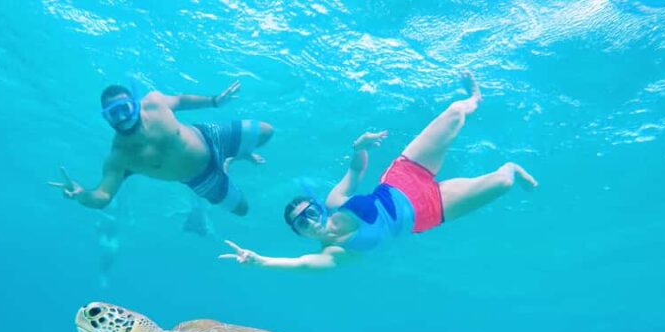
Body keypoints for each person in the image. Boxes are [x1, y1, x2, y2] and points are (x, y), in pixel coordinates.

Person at [220, 73, 537, 268]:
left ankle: (475, 98)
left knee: (455, 112)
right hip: (428, 211)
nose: (311, 221)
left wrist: (358, 147)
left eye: (310, 212)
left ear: (317, 207)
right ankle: (512, 166)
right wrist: (262, 262)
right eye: (302, 223)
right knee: (504, 181)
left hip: (405, 175)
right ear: (299, 233)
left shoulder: (334, 201)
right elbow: (301, 265)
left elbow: (355, 171)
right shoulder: (334, 252)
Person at [49, 81, 274, 215]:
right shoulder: (119, 157)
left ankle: (235, 154)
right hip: (202, 180)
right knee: (243, 209)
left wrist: (214, 101)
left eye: (124, 108)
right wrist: (82, 195)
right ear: (106, 119)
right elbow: (103, 195)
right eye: (112, 114)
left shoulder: (156, 102)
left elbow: (181, 100)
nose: (121, 117)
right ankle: (230, 162)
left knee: (266, 131)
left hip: (210, 137)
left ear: (135, 105)